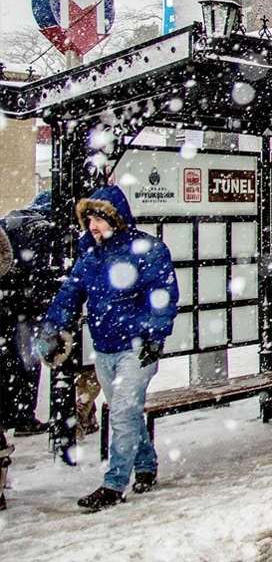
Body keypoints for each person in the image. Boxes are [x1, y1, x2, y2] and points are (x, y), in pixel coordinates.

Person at [34, 185, 178, 511]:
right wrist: (51, 330)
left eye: (98, 219)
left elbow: (163, 295)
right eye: (89, 221)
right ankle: (146, 465)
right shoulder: (91, 258)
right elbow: (68, 296)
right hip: (105, 350)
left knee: (124, 413)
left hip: (137, 349)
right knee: (128, 414)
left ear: (116, 218)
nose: (93, 227)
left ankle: (114, 484)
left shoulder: (148, 250)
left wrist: (155, 338)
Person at [0, 191, 61, 437]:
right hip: (27, 306)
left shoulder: (8, 220)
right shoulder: (43, 228)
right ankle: (25, 417)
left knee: (6, 362)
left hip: (5, 304)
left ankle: (5, 415)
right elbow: (44, 272)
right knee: (28, 362)